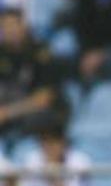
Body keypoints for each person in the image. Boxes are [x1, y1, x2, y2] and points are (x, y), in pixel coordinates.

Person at [0, 8, 65, 136]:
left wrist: (7, 113)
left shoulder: (40, 52)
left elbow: (44, 98)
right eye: (5, 26)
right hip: (10, 109)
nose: (9, 30)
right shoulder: (2, 53)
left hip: (42, 111)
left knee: (34, 119)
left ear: (24, 26)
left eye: (13, 25)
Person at [16, 123, 92, 186]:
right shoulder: (32, 158)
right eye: (43, 142)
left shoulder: (80, 161)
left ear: (63, 142)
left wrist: (53, 179)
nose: (47, 147)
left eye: (52, 142)